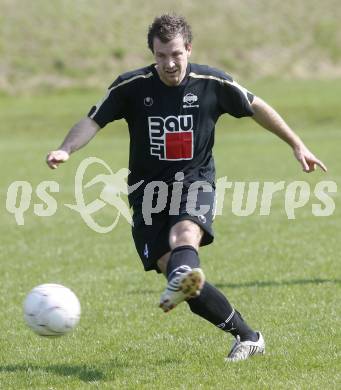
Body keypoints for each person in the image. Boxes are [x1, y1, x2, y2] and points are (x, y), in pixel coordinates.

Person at [46, 14, 327, 362]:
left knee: (184, 236)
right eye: (161, 55)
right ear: (152, 53)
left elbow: (256, 106)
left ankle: (183, 273)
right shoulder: (131, 87)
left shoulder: (211, 82)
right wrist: (66, 149)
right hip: (146, 195)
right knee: (181, 279)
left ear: (189, 49)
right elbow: (93, 120)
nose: (169, 63)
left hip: (195, 182)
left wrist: (296, 144)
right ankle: (248, 336)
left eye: (176, 54)